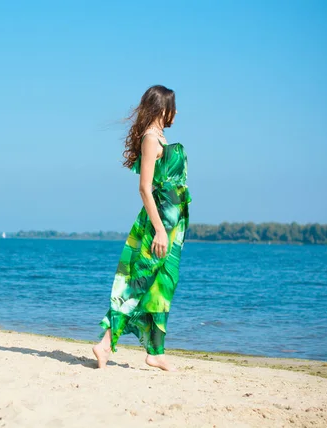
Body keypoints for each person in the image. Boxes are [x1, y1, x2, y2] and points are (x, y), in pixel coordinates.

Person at [93, 85, 192, 371]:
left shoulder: (160, 137)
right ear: (163, 109)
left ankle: (155, 351)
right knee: (139, 283)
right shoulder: (151, 139)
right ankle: (104, 344)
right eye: (173, 106)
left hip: (173, 228)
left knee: (163, 285)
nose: (177, 112)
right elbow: (145, 189)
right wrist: (160, 230)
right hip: (159, 225)